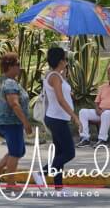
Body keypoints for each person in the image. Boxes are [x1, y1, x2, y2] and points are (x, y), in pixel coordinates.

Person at [0, 52, 33, 190]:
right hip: (10, 122)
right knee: (15, 152)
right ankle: (10, 183)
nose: (20, 67)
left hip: (11, 122)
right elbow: (14, 104)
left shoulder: (6, 81)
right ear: (10, 66)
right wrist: (26, 123)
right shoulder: (10, 84)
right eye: (18, 64)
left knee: (19, 151)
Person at [42, 46, 80, 193]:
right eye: (64, 59)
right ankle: (41, 173)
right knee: (69, 153)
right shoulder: (54, 77)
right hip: (57, 119)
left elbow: (62, 93)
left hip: (57, 118)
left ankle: (58, 187)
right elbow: (60, 99)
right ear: (60, 61)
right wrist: (74, 116)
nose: (66, 61)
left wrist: (64, 76)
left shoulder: (55, 75)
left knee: (60, 153)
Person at [77, 64, 110, 147]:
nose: (109, 75)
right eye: (108, 73)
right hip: (101, 112)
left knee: (107, 113)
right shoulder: (103, 87)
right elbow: (97, 102)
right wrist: (97, 109)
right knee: (83, 112)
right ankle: (85, 138)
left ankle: (102, 140)